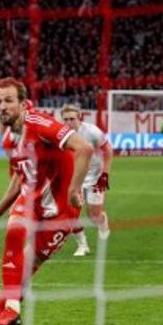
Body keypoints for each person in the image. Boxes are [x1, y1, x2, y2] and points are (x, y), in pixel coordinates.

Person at [0, 78, 93, 325]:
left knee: (21, 276)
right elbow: (21, 176)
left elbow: (84, 148)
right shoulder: (8, 139)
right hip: (31, 199)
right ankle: (11, 310)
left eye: (8, 100)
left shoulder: (39, 124)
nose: (2, 106)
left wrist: (74, 190)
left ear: (23, 104)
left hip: (61, 211)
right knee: (13, 233)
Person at [59, 103, 112, 256]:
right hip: (74, 177)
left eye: (72, 119)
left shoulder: (92, 132)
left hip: (95, 176)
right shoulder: (60, 133)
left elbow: (108, 150)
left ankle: (102, 223)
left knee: (94, 215)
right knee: (71, 213)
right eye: (65, 119)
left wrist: (105, 174)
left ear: (79, 117)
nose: (68, 123)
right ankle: (82, 245)